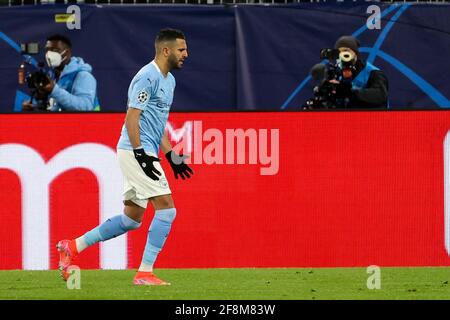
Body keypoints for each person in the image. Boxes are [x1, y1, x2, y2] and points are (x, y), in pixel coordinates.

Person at [56, 28, 193, 285]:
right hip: (134, 149)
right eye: (181, 49)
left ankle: (72, 246)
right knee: (167, 209)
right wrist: (141, 154)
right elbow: (132, 117)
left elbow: (156, 123)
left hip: (144, 150)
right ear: (166, 50)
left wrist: (171, 155)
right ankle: (144, 273)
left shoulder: (169, 81)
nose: (186, 54)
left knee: (131, 220)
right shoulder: (146, 77)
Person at [22, 34, 100, 111]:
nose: (49, 54)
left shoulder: (84, 76)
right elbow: (55, 106)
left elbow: (85, 107)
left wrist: (54, 90)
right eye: (47, 50)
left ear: (67, 53)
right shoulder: (51, 76)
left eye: (55, 50)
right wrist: (34, 106)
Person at [332, 35, 389, 108]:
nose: (342, 55)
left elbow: (380, 95)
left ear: (355, 53)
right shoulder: (337, 73)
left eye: (346, 51)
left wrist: (349, 92)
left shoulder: (374, 73)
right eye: (338, 52)